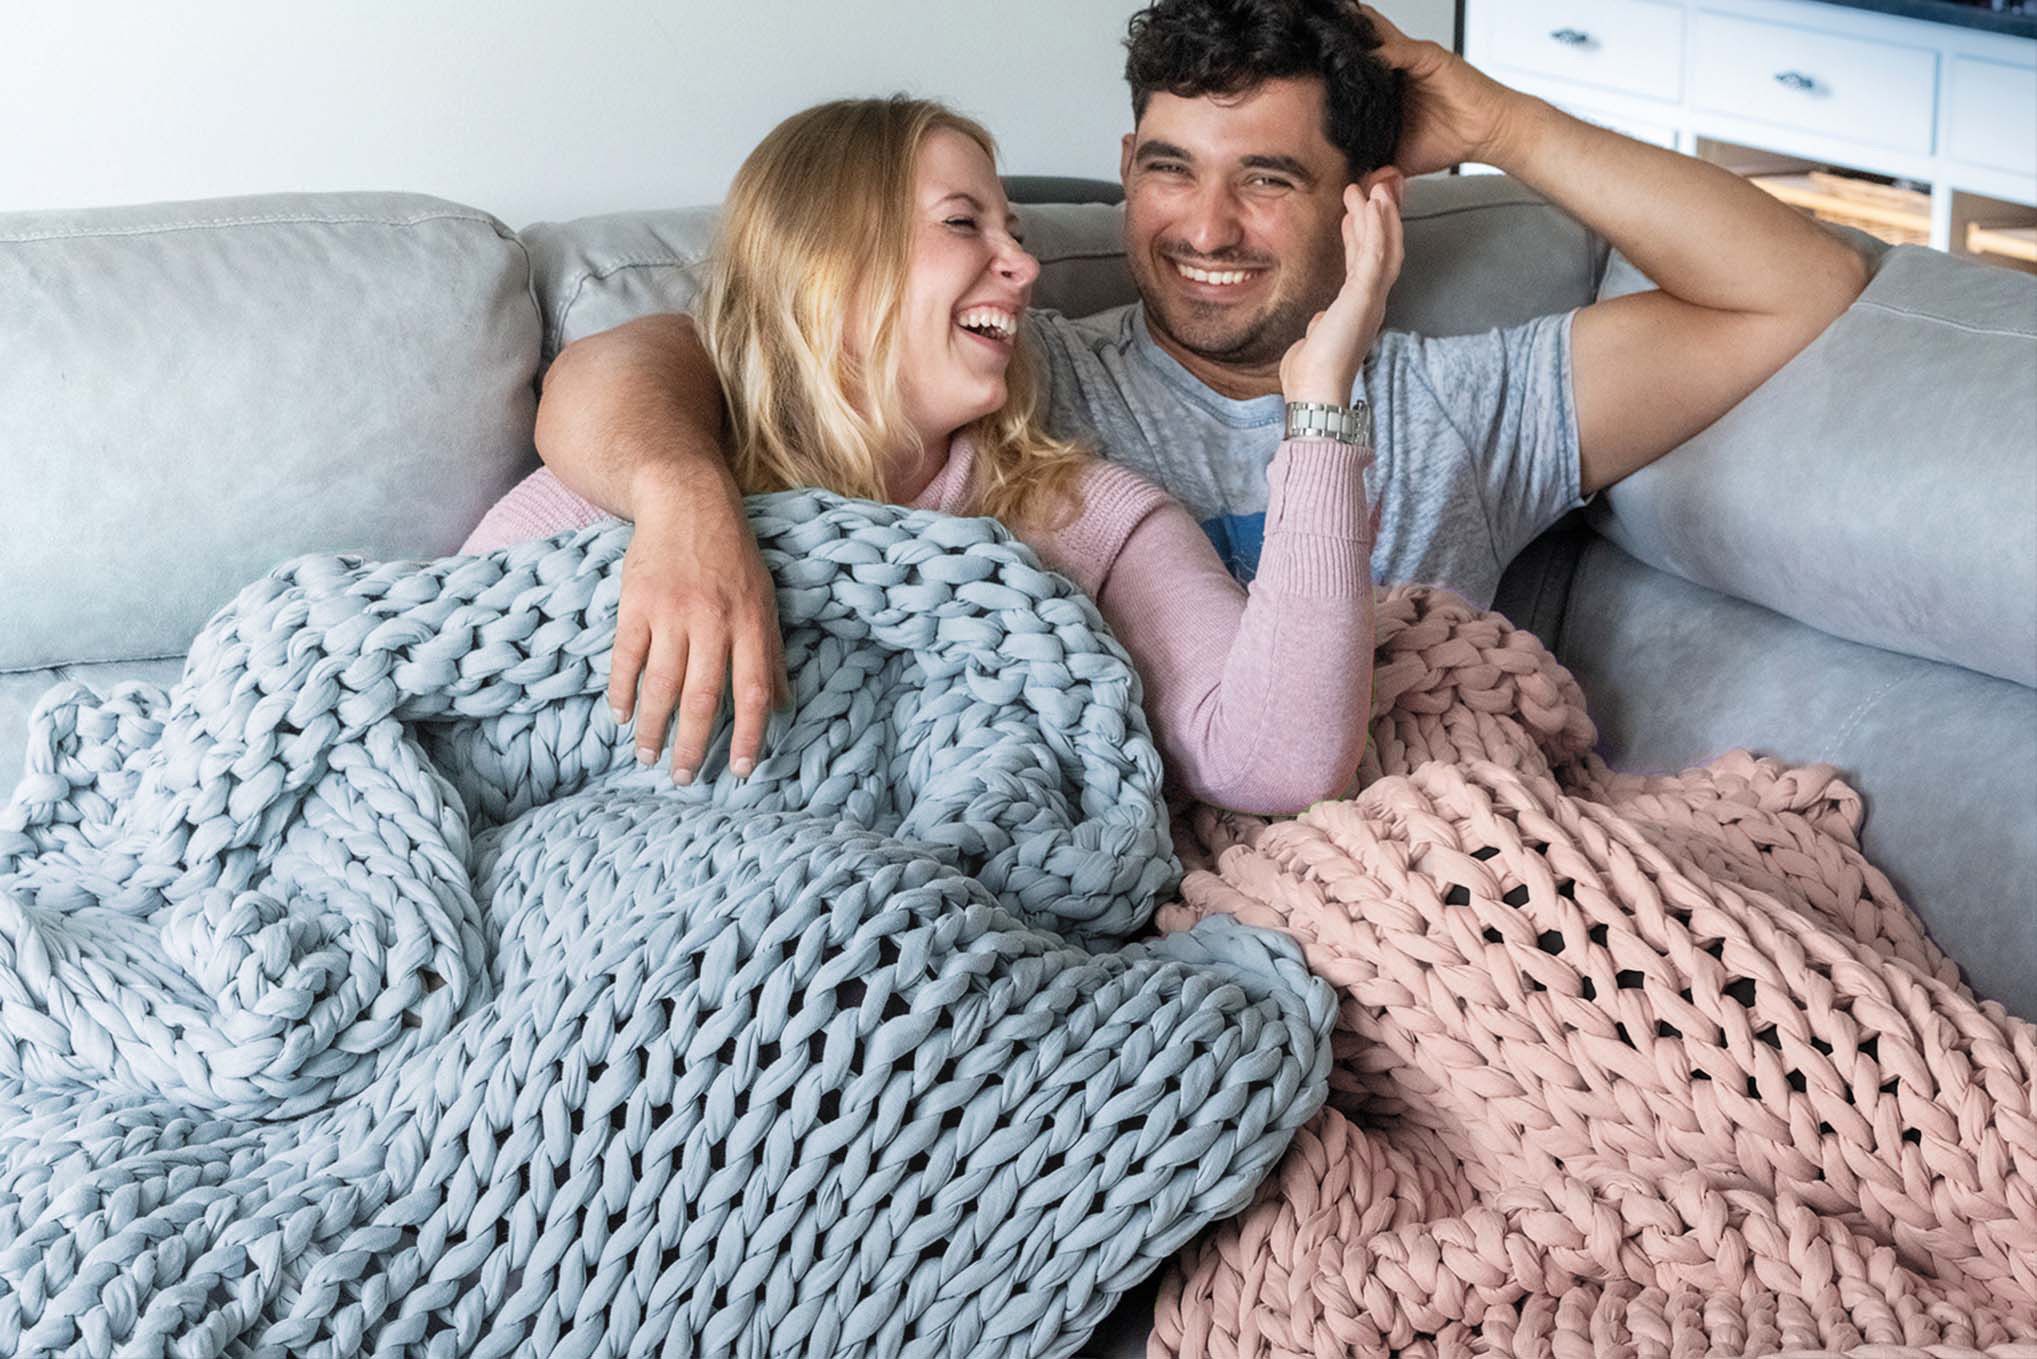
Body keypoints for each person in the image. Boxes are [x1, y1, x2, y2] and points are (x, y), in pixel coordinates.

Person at [519, 1, 1869, 790]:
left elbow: (1791, 283)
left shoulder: (1468, 401)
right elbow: (680, 368)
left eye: (1268, 179)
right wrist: (682, 494)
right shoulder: (1019, 384)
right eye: (1169, 169)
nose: (1205, 227)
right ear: (1126, 163)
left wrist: (1504, 126)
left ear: (1360, 197)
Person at [465, 97, 1398, 814]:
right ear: (832, 258)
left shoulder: (1085, 518)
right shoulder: (628, 492)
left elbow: (1274, 761)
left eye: (1017, 234)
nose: (1024, 268)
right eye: (964, 224)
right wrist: (685, 509)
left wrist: (1318, 405)